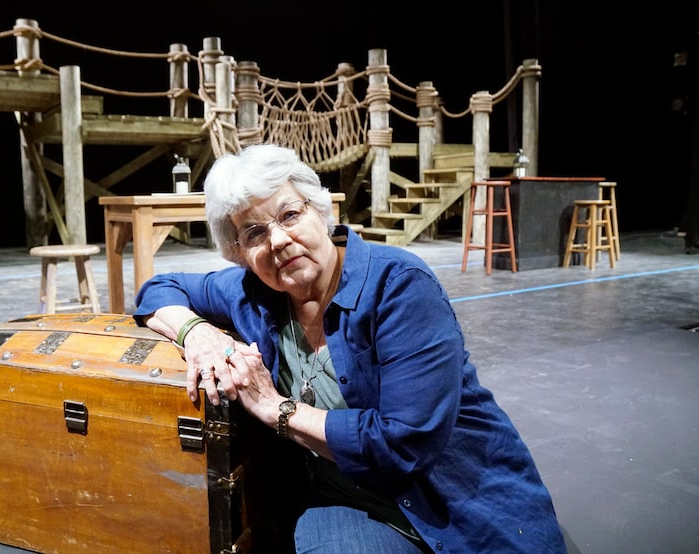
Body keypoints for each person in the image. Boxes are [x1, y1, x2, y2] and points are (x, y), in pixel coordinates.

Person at [133, 144, 567, 553]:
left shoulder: (398, 285)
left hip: (456, 498)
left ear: (320, 212)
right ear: (239, 252)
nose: (278, 240)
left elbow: (404, 447)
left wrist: (275, 409)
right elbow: (158, 289)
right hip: (348, 499)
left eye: (289, 214)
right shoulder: (251, 290)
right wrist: (198, 334)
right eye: (254, 233)